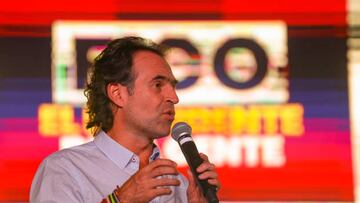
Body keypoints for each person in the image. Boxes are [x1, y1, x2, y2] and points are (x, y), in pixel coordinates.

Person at [30, 36, 220, 203]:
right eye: (158, 84)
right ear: (117, 94)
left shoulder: (181, 185)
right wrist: (120, 200)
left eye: (173, 86)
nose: (174, 97)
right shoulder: (65, 170)